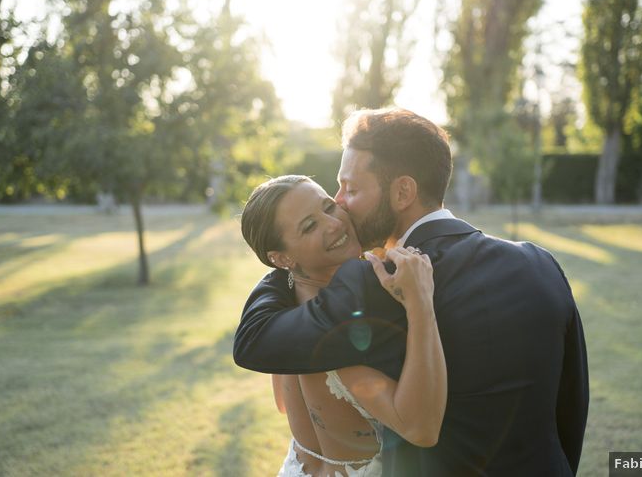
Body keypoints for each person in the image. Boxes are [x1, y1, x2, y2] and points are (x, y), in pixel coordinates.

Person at [235, 108, 589, 476]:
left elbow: (260, 341)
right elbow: (571, 405)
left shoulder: (373, 285)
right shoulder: (539, 263)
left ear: (403, 191)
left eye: (351, 189)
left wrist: (286, 267)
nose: (340, 202)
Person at [239, 175, 447, 476]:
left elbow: (284, 403)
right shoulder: (336, 333)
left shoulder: (283, 319)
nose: (334, 224)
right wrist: (420, 304)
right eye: (309, 226)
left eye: (328, 206)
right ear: (282, 258)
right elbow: (421, 429)